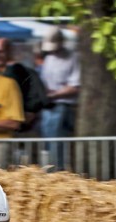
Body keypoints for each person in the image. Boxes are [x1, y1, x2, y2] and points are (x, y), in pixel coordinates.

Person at [39, 28, 80, 168]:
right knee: (48, 140)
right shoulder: (49, 58)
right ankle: (51, 167)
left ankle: (58, 168)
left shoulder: (73, 57)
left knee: (57, 140)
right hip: (48, 104)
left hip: (64, 104)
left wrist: (54, 94)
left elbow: (75, 86)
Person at [0, 37, 48, 136]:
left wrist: (29, 111)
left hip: (18, 122)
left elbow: (36, 94)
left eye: (0, 51)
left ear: (8, 51)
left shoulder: (19, 71)